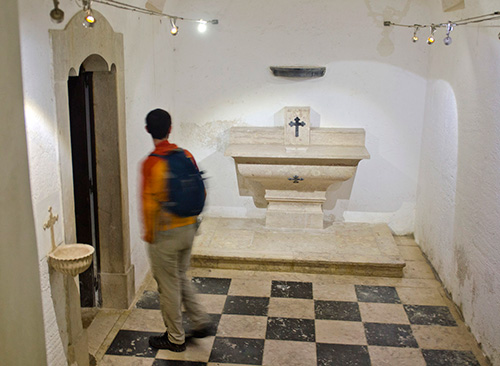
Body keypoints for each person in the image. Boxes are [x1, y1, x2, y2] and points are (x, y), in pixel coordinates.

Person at [140, 108, 211, 352]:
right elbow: (200, 189)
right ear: (170, 128)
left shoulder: (152, 164)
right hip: (189, 228)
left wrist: (150, 236)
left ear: (148, 130)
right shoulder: (186, 155)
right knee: (180, 276)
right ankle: (200, 321)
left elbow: (149, 204)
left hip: (166, 234)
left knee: (167, 285)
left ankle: (175, 338)